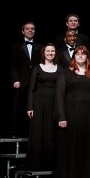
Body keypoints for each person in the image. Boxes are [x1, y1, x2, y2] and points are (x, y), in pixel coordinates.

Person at [54, 45, 90, 178]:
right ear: (74, 57)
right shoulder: (66, 73)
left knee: (89, 146)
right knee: (73, 146)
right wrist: (61, 117)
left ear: (87, 57)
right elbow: (59, 96)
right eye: (77, 54)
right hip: (72, 114)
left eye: (83, 54)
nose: (80, 56)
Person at [26, 43, 62, 171]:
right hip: (39, 103)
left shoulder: (60, 69)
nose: (50, 53)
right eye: (48, 51)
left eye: (52, 51)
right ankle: (36, 165)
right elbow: (31, 89)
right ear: (44, 53)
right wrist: (30, 106)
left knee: (51, 133)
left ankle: (51, 165)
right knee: (38, 133)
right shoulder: (37, 68)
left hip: (54, 103)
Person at [10, 22, 43, 137]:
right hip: (21, 81)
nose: (30, 30)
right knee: (17, 106)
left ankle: (29, 131)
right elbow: (13, 64)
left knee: (32, 107)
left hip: (34, 82)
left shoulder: (39, 46)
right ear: (23, 31)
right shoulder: (16, 45)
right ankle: (15, 131)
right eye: (27, 29)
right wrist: (15, 80)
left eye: (32, 29)